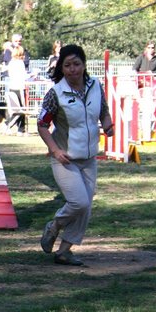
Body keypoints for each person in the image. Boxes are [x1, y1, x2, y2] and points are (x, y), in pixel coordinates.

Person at [37, 44, 114, 266]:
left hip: (89, 158)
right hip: (65, 158)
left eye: (76, 64)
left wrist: (108, 126)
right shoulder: (56, 93)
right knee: (79, 202)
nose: (72, 70)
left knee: (86, 207)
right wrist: (55, 150)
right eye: (67, 65)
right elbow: (42, 124)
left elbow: (103, 111)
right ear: (61, 67)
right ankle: (54, 226)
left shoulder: (95, 86)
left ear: (84, 65)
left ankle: (64, 251)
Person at [4, 45, 29, 135]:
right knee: (21, 110)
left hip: (12, 87)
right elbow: (23, 76)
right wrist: (32, 75)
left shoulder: (11, 63)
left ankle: (21, 129)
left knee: (17, 109)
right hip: (19, 88)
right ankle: (8, 125)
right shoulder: (19, 63)